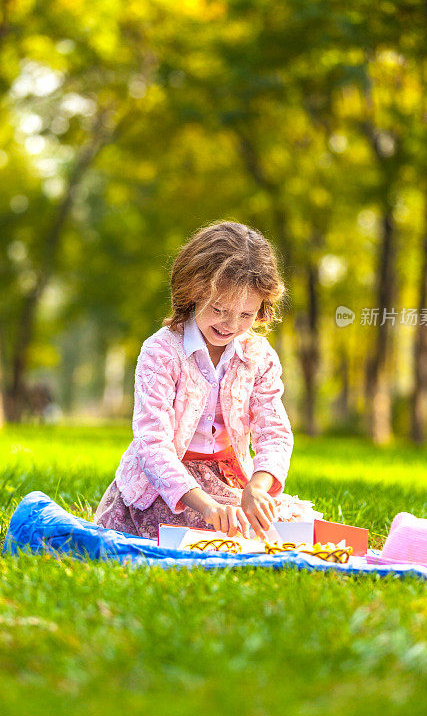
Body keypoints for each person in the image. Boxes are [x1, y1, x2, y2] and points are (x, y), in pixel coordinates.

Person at [94, 221, 318, 541]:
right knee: (209, 534)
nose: (230, 325)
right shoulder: (161, 353)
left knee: (294, 527)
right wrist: (207, 507)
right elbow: (152, 443)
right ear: (194, 292)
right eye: (219, 309)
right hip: (169, 485)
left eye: (246, 315)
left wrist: (256, 486)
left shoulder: (258, 357)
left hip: (229, 479)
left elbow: (274, 432)